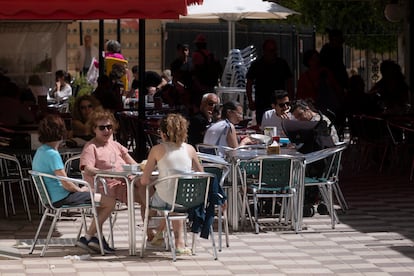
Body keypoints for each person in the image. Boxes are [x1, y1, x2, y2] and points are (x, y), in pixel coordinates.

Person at [32, 114, 116, 253]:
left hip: (53, 198)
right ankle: (88, 237)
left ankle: (96, 238)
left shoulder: (41, 151)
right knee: (109, 202)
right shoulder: (52, 154)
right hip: (63, 198)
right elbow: (65, 183)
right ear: (61, 132)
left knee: (98, 198)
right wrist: (80, 190)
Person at [138, 113, 204, 254]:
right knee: (176, 198)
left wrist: (160, 178)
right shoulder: (190, 149)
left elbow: (144, 180)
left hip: (165, 198)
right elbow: (201, 174)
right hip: (188, 199)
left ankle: (152, 232)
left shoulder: (157, 150)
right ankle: (178, 241)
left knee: (144, 193)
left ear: (162, 133)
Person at [246, 39, 293, 126]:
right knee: (262, 124)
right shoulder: (257, 65)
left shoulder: (282, 64)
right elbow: (249, 83)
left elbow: (289, 81)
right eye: (270, 50)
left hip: (280, 101)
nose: (273, 53)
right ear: (264, 51)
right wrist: (250, 101)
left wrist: (290, 97)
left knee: (283, 122)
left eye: (274, 50)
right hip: (262, 101)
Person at [296, 49, 342, 117]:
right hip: (311, 109)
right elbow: (300, 96)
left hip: (327, 107)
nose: (316, 60)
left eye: (317, 58)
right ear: (308, 61)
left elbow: (335, 87)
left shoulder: (325, 72)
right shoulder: (304, 77)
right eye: (313, 59)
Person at [191, 34, 222, 113]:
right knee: (211, 105)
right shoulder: (211, 55)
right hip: (211, 86)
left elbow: (195, 71)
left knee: (200, 106)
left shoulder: (196, 55)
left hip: (200, 86)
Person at [170, 43, 192, 110]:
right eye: (182, 50)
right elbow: (175, 80)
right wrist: (183, 89)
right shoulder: (175, 64)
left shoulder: (193, 62)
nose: (184, 52)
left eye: (185, 50)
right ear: (178, 52)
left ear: (188, 51)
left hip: (192, 92)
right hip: (180, 93)